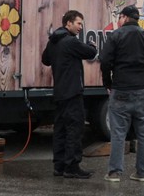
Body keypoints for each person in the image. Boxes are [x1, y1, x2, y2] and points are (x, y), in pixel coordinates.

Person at [99, 5, 144, 183]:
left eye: (120, 18)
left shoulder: (116, 36)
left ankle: (114, 173)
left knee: (118, 133)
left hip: (121, 89)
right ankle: (143, 173)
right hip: (143, 90)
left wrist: (108, 83)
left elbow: (105, 61)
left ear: (124, 17)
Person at [41, 9, 98, 179]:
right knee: (74, 129)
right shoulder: (70, 41)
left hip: (59, 92)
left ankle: (59, 166)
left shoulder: (54, 41)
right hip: (72, 92)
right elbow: (90, 52)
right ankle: (72, 167)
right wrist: (93, 45)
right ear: (68, 23)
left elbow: (45, 60)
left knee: (60, 130)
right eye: (79, 23)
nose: (81, 27)